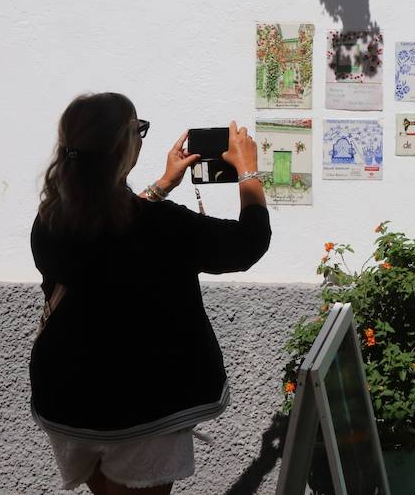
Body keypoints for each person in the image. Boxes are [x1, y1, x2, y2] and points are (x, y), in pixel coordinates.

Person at [29, 93, 272, 494]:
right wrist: (248, 171)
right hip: (142, 405)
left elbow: (111, 237)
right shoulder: (163, 228)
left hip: (70, 396)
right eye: (139, 129)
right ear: (125, 147)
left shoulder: (50, 219)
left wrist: (162, 186)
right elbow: (248, 244)